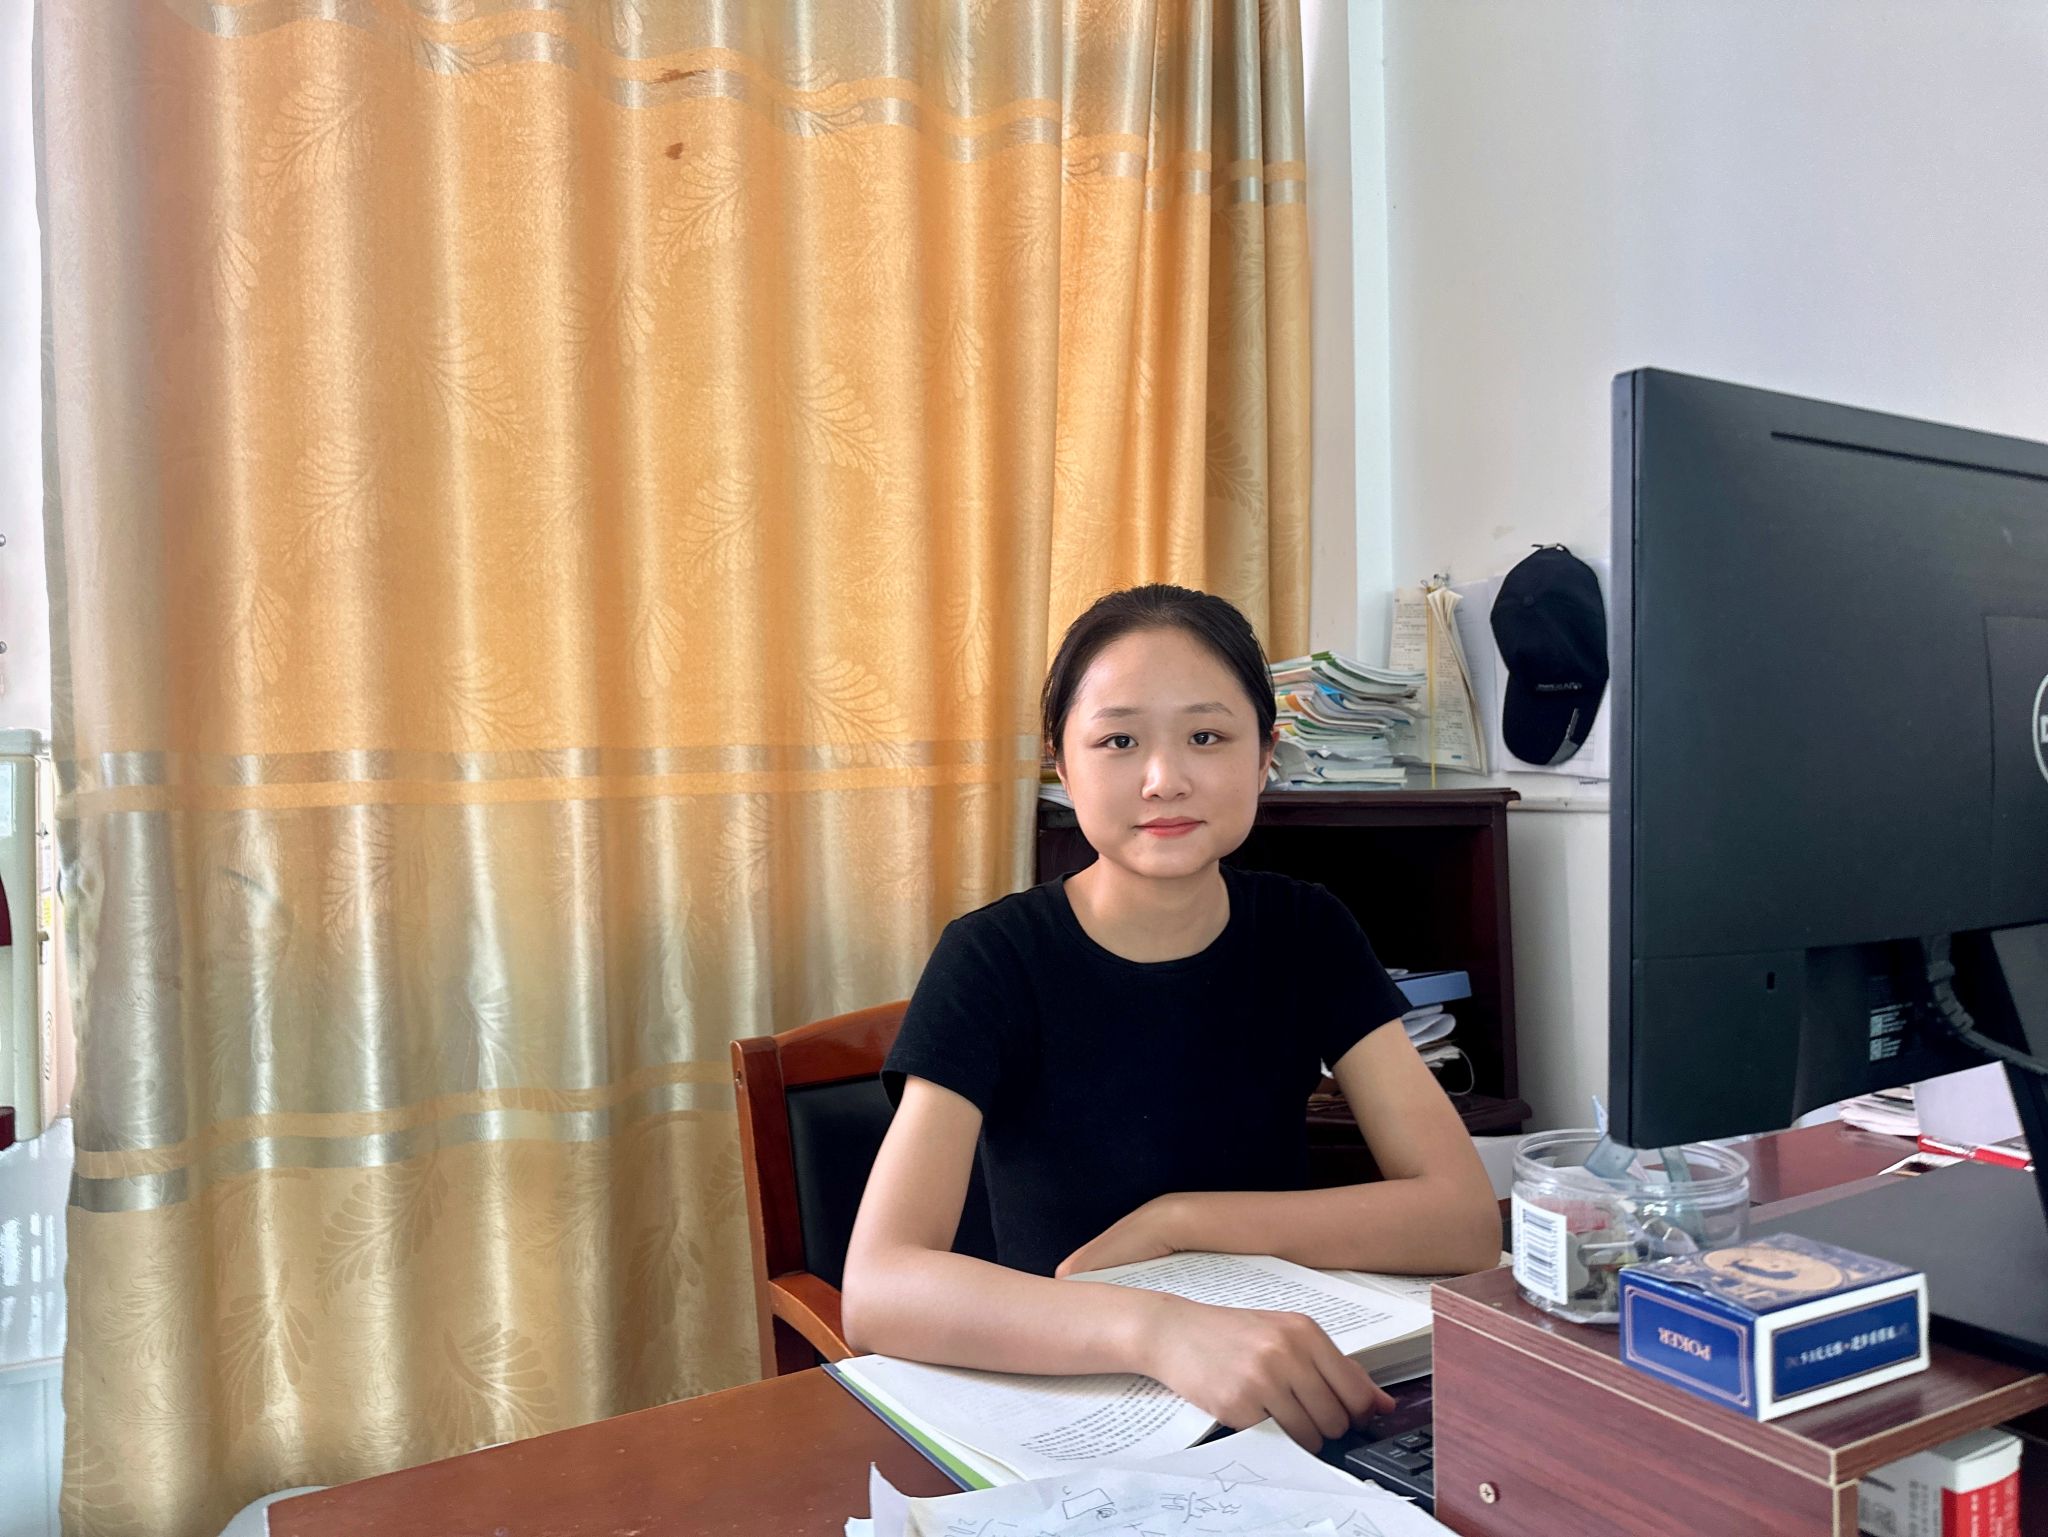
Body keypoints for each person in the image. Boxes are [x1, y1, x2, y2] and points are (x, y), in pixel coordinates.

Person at [841, 584, 1500, 1450]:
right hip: (1074, 1394)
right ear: (1061, 762)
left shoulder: (1305, 929)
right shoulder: (993, 957)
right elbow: (879, 1288)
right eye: (1119, 740)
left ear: (1264, 756)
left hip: (1268, 1390)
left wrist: (1182, 1221)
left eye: (1207, 737)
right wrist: (1154, 1328)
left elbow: (1463, 1220)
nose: (1165, 779)